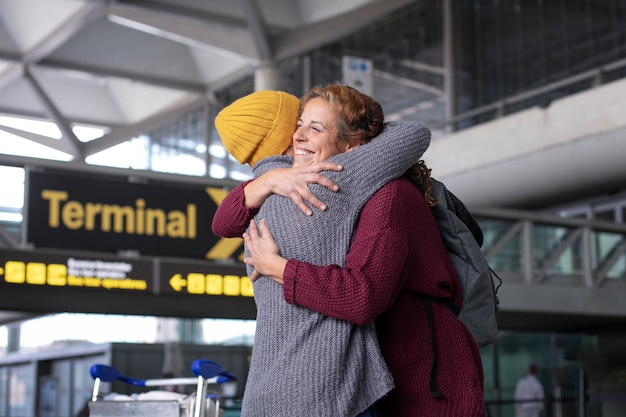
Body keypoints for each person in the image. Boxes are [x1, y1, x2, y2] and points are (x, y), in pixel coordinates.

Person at [213, 84, 485, 416]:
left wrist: (278, 267)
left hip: (429, 383)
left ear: (353, 147)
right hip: (387, 378)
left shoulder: (383, 194)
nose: (297, 136)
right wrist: (270, 180)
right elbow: (223, 222)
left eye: (314, 127)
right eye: (297, 124)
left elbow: (362, 296)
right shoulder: (300, 188)